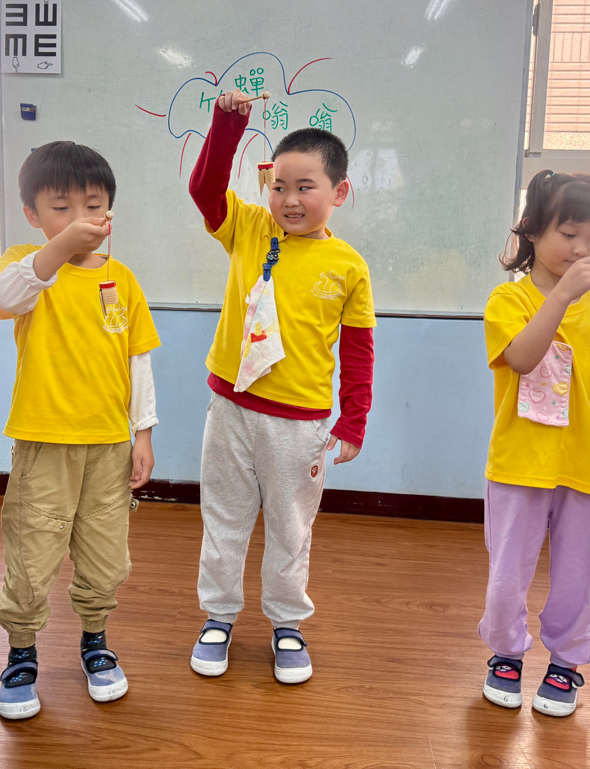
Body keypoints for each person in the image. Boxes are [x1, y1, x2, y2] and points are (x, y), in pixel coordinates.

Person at [186, 91, 375, 683]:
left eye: (306, 187)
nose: (289, 200)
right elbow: (204, 189)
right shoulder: (248, 227)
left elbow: (359, 352)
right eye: (280, 186)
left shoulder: (349, 266)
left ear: (339, 192)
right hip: (230, 409)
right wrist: (228, 124)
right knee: (224, 519)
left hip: (300, 423)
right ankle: (218, 617)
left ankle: (287, 623)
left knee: (291, 529)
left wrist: (353, 420)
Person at [0, 141, 160, 719]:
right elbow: (1, 300)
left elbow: (138, 362)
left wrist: (143, 433)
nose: (80, 218)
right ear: (33, 214)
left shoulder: (122, 279)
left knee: (106, 555)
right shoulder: (28, 265)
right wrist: (57, 250)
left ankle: (95, 640)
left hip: (109, 446)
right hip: (44, 443)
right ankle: (21, 652)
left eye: (93, 205)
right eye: (61, 208)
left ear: (109, 210)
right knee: (33, 553)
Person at [480, 170, 590, 717]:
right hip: (520, 465)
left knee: (580, 575)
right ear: (531, 230)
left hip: (588, 465)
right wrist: (567, 293)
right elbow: (523, 358)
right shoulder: (508, 300)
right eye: (569, 233)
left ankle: (567, 662)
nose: (581, 249)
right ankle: (506, 654)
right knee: (507, 575)